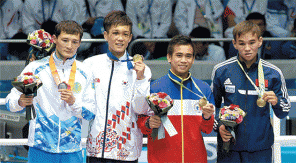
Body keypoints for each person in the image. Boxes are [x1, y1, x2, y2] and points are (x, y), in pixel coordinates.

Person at [5, 20, 96, 163]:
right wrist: (20, 101)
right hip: (40, 148)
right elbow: (10, 103)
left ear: (79, 43)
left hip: (72, 150)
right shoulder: (34, 68)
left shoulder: (86, 72)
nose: (69, 46)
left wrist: (73, 102)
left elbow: (91, 113)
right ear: (54, 39)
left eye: (74, 42)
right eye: (65, 40)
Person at [211, 20, 291, 162]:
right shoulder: (221, 70)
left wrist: (277, 102)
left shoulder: (273, 73)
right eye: (242, 43)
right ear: (234, 43)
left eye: (252, 42)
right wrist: (219, 125)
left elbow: (284, 111)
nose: (247, 48)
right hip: (229, 147)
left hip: (261, 148)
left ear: (260, 41)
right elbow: (212, 107)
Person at [84, 11, 152, 162]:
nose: (120, 38)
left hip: (126, 150)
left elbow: (141, 110)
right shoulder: (91, 64)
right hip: (95, 150)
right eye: (115, 33)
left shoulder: (142, 70)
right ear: (106, 35)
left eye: (125, 34)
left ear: (130, 37)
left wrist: (140, 79)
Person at [137, 35, 215, 163]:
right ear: (169, 57)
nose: (183, 60)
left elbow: (207, 129)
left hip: (195, 159)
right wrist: (148, 123)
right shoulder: (154, 88)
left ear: (193, 59)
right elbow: (140, 121)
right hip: (161, 159)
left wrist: (207, 117)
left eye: (188, 56)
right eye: (179, 55)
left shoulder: (203, 89)